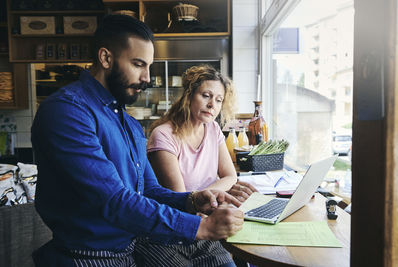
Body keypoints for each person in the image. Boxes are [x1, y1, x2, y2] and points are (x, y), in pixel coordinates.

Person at [31, 14, 244, 267]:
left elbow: (149, 191)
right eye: (138, 64)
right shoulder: (67, 111)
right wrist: (201, 227)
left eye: (149, 67)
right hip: (85, 257)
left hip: (128, 249)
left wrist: (192, 199)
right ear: (106, 58)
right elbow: (113, 201)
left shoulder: (129, 124)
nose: (147, 78)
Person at [134, 65, 258, 266]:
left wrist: (207, 196)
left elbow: (230, 176)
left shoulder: (213, 129)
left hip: (205, 224)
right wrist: (211, 195)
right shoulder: (164, 135)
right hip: (169, 234)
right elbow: (183, 199)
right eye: (206, 96)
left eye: (218, 100)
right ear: (189, 95)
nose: (212, 105)